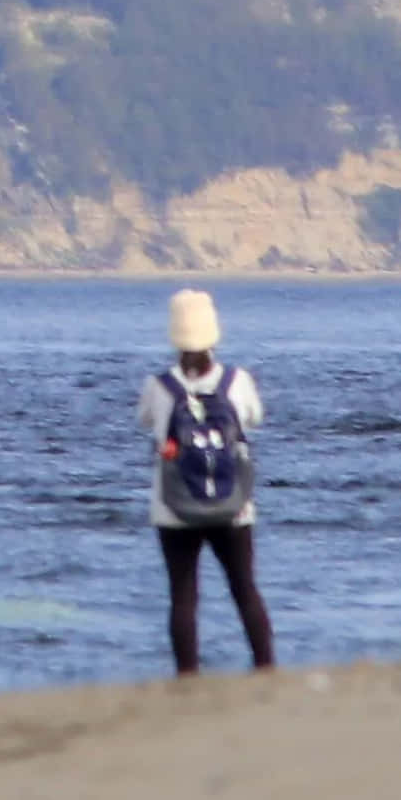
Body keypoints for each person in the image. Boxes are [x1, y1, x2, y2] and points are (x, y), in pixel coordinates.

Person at [136, 288, 274, 675]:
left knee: (183, 596)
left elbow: (145, 421)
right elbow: (255, 418)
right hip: (233, 505)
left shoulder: (159, 387)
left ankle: (188, 677)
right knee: (244, 589)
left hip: (174, 507)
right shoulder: (236, 381)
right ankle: (265, 668)